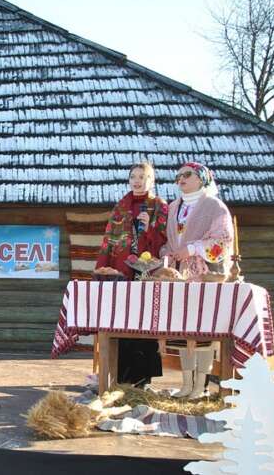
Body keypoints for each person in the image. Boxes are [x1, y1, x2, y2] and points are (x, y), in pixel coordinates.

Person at [161, 162, 234, 399]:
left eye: (187, 174)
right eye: (178, 176)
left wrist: (192, 249)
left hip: (204, 276)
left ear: (202, 178)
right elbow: (170, 240)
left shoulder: (215, 206)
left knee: (203, 329)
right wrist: (167, 253)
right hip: (179, 276)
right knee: (182, 328)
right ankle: (186, 383)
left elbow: (222, 241)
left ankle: (201, 385)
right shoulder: (173, 207)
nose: (180, 179)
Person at [94, 162, 168, 387]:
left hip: (148, 273)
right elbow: (109, 241)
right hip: (121, 273)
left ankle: (143, 379)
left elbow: (166, 241)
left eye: (142, 177)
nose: (137, 181)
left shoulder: (160, 206)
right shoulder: (121, 207)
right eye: (133, 177)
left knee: (145, 323)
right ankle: (120, 377)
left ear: (151, 181)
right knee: (121, 321)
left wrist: (149, 230)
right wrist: (102, 268)